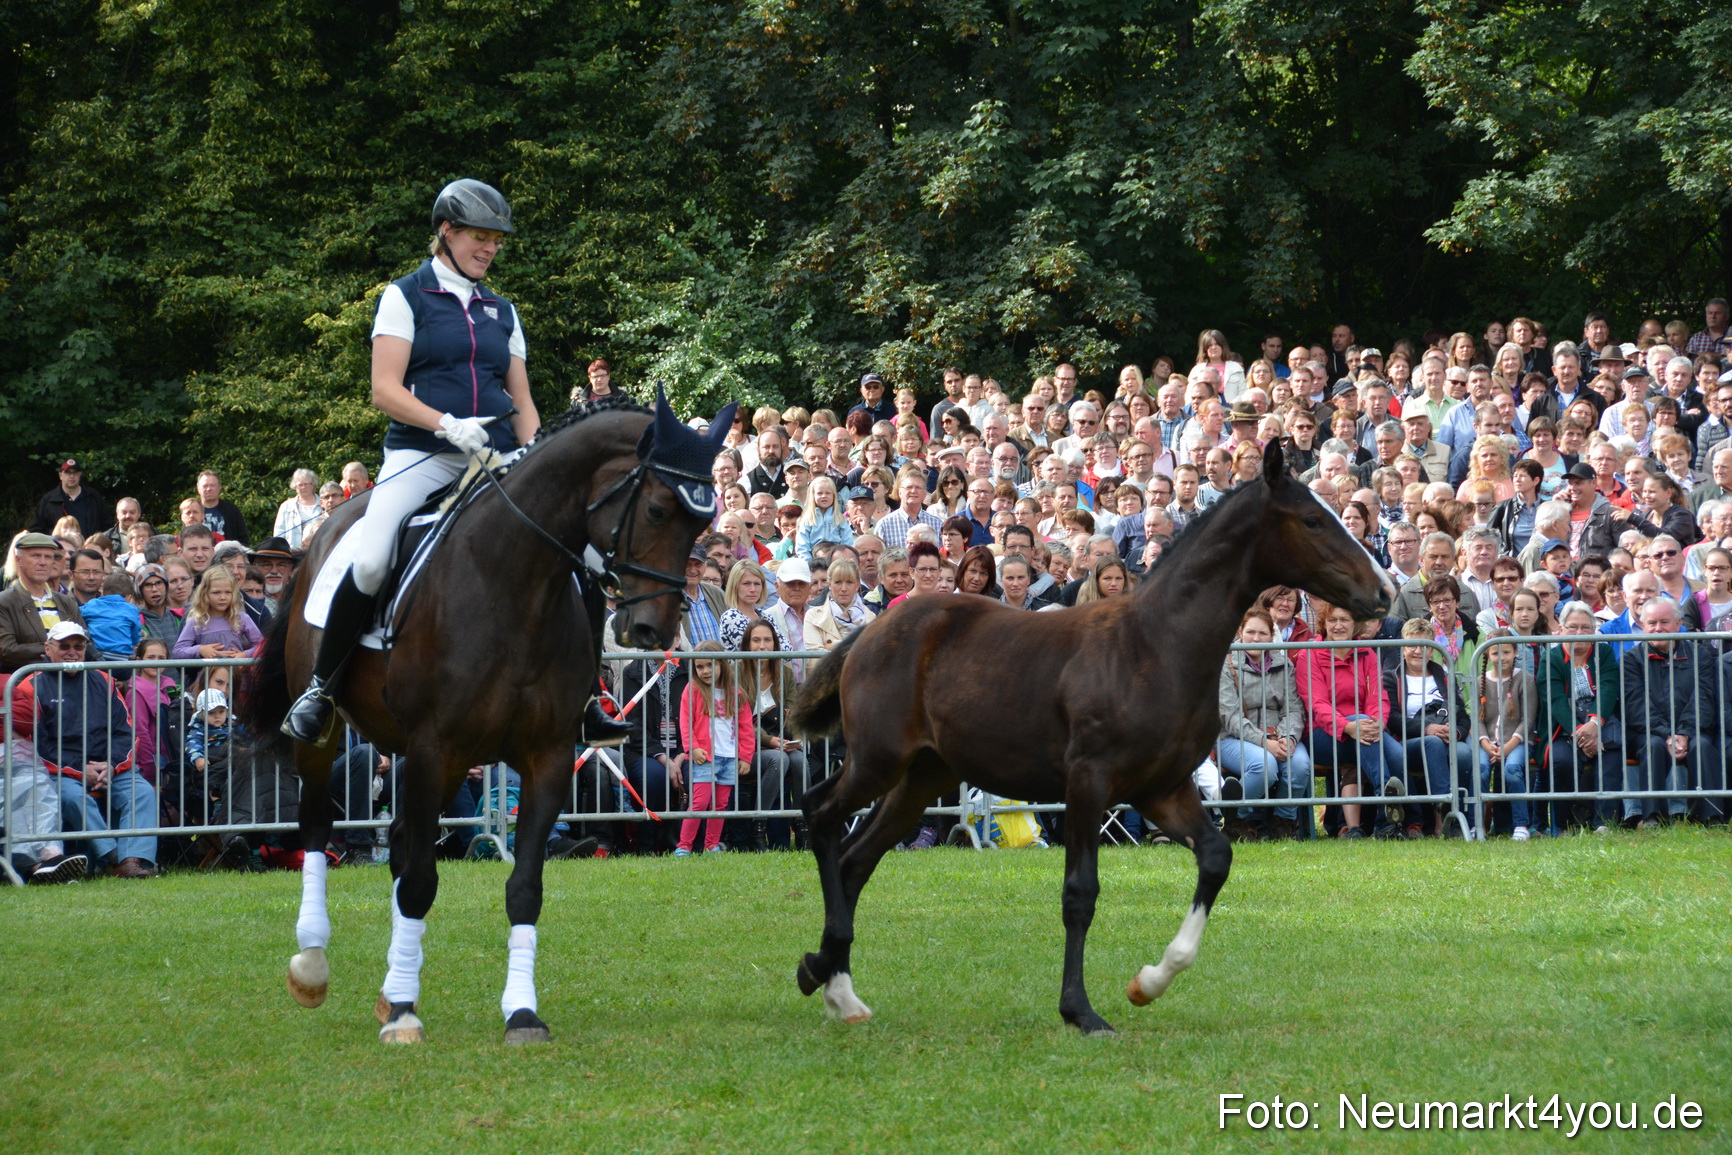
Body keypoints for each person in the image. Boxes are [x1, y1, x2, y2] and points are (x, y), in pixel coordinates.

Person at [277, 179, 619, 742]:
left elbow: (523, 399)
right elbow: (384, 389)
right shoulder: (404, 296)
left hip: (499, 455)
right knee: (370, 558)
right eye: (480, 238)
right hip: (423, 453)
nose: (489, 249)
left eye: (496, 241)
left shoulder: (502, 310)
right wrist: (445, 424)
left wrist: (534, 454)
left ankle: (586, 697)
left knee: (578, 551)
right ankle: (322, 687)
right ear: (447, 232)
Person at [10, 621, 158, 877]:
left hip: (109, 766)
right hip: (59, 772)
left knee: (143, 792)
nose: (72, 652)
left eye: (78, 646)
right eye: (64, 646)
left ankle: (132, 860)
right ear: (47, 648)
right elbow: (38, 744)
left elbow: (125, 732)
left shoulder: (105, 680)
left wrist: (111, 766)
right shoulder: (30, 685)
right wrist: (81, 769)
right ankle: (115, 859)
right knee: (72, 798)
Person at [1295, 602, 1402, 839]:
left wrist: (1376, 723)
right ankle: (1386, 817)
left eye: (1345, 620)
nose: (1339, 625)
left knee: (1397, 755)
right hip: (1323, 736)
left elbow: (1378, 697)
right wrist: (1348, 726)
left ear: (1355, 625)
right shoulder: (1309, 654)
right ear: (1324, 624)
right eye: (1333, 620)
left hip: (1365, 732)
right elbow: (1317, 703)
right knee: (1377, 741)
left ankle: (1400, 823)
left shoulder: (1367, 653)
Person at [1216, 608, 1311, 841]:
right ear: (1240, 631)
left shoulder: (1284, 664)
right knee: (1264, 765)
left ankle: (1283, 823)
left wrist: (1288, 738)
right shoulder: (1225, 663)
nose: (1256, 638)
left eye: (1262, 633)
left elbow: (1294, 708)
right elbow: (1231, 715)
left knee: (1300, 765)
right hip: (1232, 738)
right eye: (1250, 632)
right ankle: (1238, 819)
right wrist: (1264, 744)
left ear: (1271, 636)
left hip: (1278, 735)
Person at [1621, 599, 1717, 827]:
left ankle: (1711, 816)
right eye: (1652, 623)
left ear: (1678, 623)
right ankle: (1653, 816)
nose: (1658, 628)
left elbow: (1703, 699)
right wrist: (1667, 734)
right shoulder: (1631, 659)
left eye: (1664, 622)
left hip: (1693, 730)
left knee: (1702, 745)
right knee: (1652, 746)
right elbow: (1637, 707)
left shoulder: (1699, 654)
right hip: (1649, 731)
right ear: (1643, 625)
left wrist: (1683, 733)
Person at [1383, 619, 1472, 838]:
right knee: (1432, 743)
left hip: (1446, 739)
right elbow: (1392, 718)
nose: (1417, 651)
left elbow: (1462, 713)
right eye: (1412, 645)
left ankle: (1462, 818)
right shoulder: (1391, 677)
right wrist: (1427, 728)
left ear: (1432, 649)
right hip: (1409, 742)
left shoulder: (1443, 675)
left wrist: (1456, 733)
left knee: (1463, 753)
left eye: (1424, 645)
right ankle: (1444, 818)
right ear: (1403, 648)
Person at [674, 641, 755, 856]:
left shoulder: (736, 693)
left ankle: (712, 845)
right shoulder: (692, 689)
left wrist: (745, 756)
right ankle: (684, 846)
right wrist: (692, 748)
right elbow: (685, 722)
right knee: (699, 803)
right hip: (705, 757)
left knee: (720, 804)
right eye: (699, 667)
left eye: (711, 665)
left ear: (722, 664)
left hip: (729, 757)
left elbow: (746, 728)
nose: (705, 671)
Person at [741, 619, 806, 849]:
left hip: (781, 742)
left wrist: (794, 740)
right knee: (778, 760)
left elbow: (793, 712)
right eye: (756, 640)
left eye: (767, 640)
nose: (762, 646)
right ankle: (757, 827)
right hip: (749, 746)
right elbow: (742, 722)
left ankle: (802, 827)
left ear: (775, 644)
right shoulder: (737, 671)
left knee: (799, 761)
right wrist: (770, 741)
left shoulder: (785, 673)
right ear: (747, 645)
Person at [1473, 630, 1538, 839]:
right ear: (1487, 655)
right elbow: (1477, 719)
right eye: (1495, 653)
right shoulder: (1479, 681)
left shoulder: (1525, 679)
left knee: (1511, 769)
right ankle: (1478, 825)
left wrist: (1508, 747)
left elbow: (1527, 720)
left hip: (1517, 741)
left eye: (1506, 652)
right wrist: (1484, 743)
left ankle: (1521, 825)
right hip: (1488, 743)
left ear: (1515, 652)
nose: (1501, 658)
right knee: (1481, 768)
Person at [0, 532, 85, 675]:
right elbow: (6, 650)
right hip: (26, 686)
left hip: (69, 682)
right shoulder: (5, 601)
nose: (43, 562)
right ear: (18, 560)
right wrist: (53, 650)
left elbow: (85, 642)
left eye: (49, 557)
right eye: (36, 556)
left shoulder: (66, 601)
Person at [172, 567, 263, 661]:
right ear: (205, 594)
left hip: (237, 674)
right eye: (216, 592)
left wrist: (245, 655)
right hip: (208, 675)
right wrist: (200, 650)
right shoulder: (197, 621)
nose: (223, 597)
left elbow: (261, 646)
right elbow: (178, 652)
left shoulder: (241, 618)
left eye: (228, 592)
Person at [31, 460, 110, 537]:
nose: (72, 476)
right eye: (68, 472)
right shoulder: (48, 500)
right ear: (60, 475)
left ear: (80, 475)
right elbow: (37, 530)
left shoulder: (93, 496)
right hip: (59, 548)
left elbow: (106, 525)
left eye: (75, 473)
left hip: (89, 548)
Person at [80, 570, 143, 662]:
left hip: (96, 657)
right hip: (121, 659)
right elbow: (135, 635)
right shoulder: (131, 609)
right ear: (129, 597)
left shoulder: (93, 604)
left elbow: (76, 613)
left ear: (103, 593)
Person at [273, 469, 323, 549]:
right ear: (295, 486)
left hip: (319, 550)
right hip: (293, 552)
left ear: (313, 484)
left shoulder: (323, 504)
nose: (303, 487)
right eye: (300, 485)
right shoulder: (286, 506)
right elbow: (279, 532)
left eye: (306, 484)